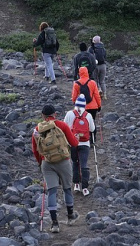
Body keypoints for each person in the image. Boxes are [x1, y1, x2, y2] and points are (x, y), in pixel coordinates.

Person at [31, 104, 80, 233]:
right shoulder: (62, 125)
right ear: (55, 114)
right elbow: (74, 143)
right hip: (63, 161)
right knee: (67, 189)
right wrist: (77, 139)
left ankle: (54, 224)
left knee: (52, 191)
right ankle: (70, 217)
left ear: (43, 116)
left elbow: (35, 150)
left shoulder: (37, 129)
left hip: (47, 163)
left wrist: (40, 163)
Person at [64, 95, 95, 196]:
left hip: (72, 142)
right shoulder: (88, 115)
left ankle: (76, 184)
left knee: (75, 162)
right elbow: (92, 129)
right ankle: (85, 188)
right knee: (84, 164)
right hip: (85, 143)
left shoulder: (69, 114)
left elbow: (65, 127)